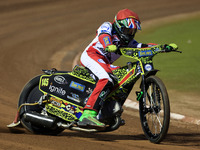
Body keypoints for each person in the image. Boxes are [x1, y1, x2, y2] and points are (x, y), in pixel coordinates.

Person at [77, 9, 177, 128]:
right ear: (119, 26)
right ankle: (87, 114)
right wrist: (108, 45)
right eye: (127, 30)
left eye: (132, 31)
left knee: (120, 77)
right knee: (106, 78)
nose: (129, 33)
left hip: (104, 62)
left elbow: (142, 47)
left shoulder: (128, 41)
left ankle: (105, 112)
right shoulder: (107, 26)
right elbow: (104, 35)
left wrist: (163, 47)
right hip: (92, 55)